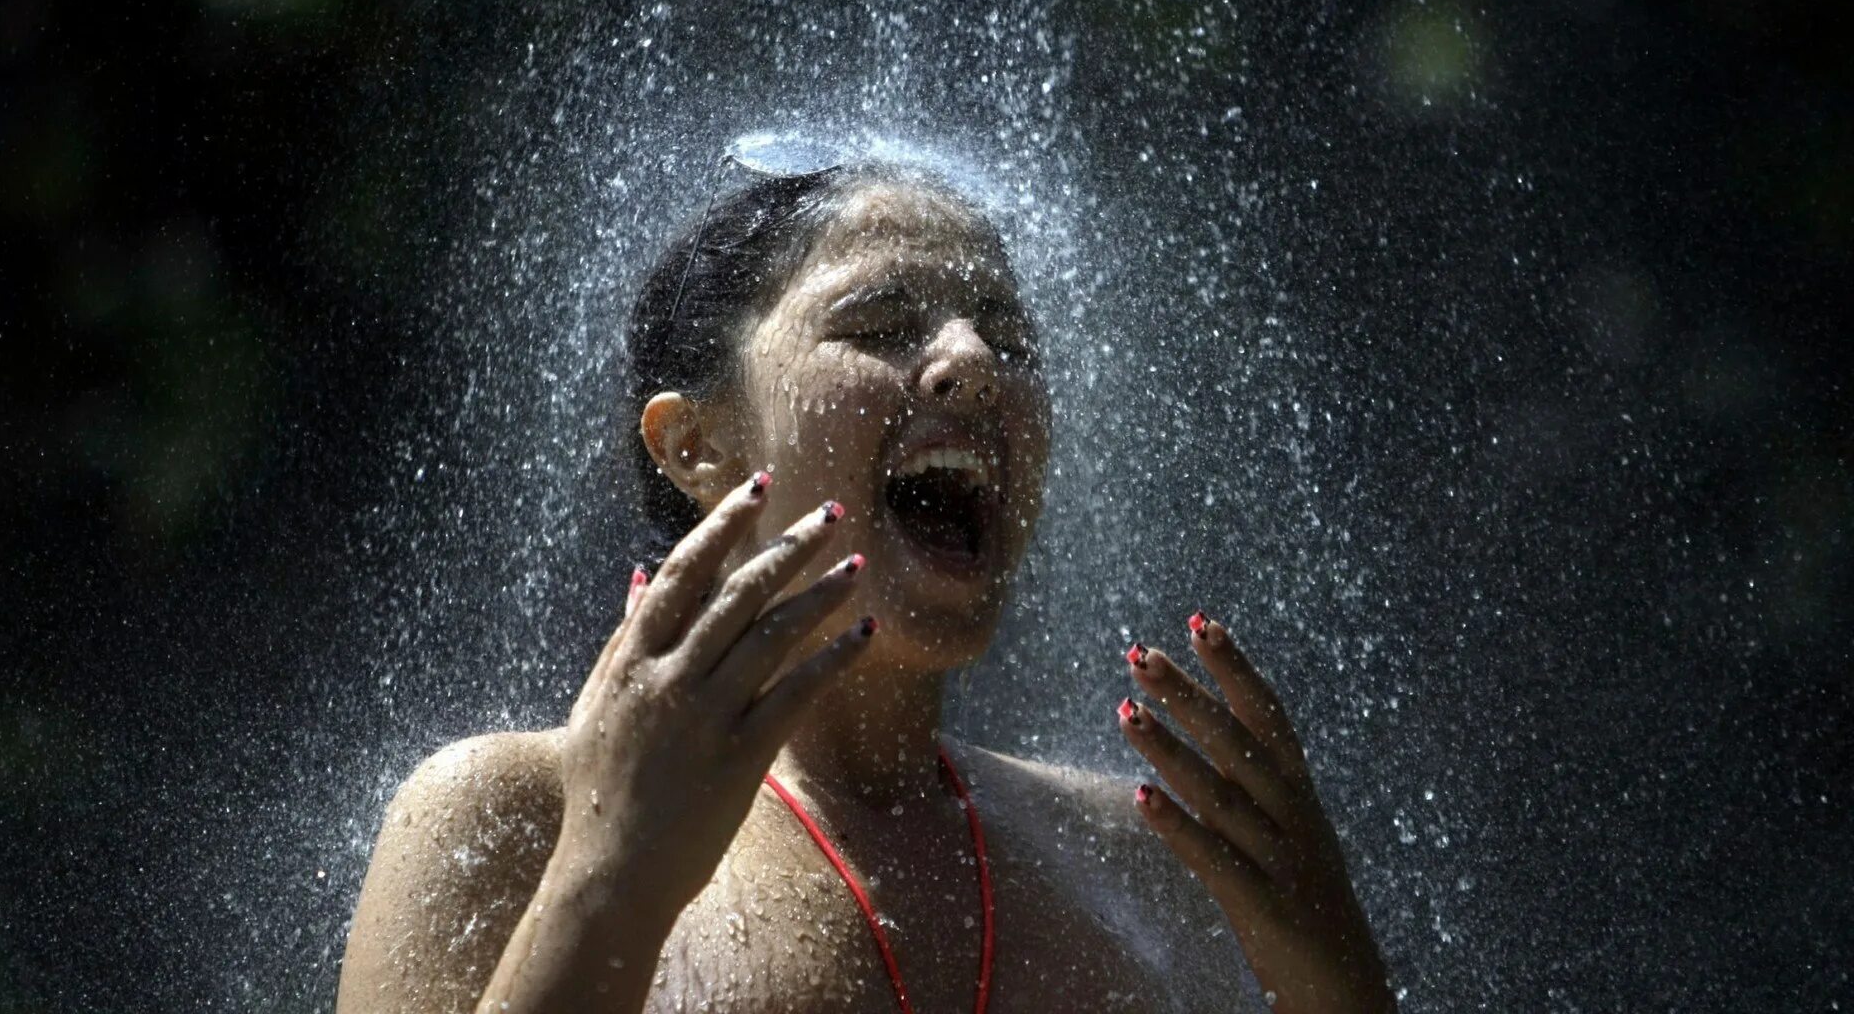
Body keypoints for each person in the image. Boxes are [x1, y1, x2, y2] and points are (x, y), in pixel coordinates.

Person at [336, 155, 1395, 1014]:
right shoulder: (506, 816)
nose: (975, 361)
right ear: (694, 442)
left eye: (1009, 334)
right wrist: (608, 879)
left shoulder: (1135, 852)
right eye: (882, 327)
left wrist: (1336, 981)